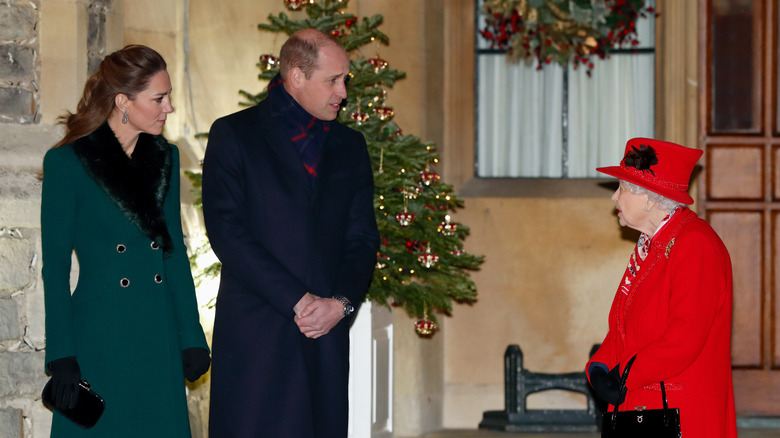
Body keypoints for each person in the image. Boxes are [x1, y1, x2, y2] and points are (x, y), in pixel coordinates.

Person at [202, 28, 379, 438]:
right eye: (333, 80)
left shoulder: (351, 146)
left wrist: (341, 304)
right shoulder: (234, 134)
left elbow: (362, 238)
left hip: (325, 334)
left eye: (345, 80)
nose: (343, 93)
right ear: (296, 76)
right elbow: (227, 231)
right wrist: (297, 300)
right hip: (257, 334)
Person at [41, 45, 211, 437]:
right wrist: (62, 356)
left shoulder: (165, 157)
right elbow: (54, 268)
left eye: (167, 96)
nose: (168, 107)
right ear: (123, 102)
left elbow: (174, 254)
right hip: (101, 335)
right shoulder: (68, 163)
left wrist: (192, 335)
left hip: (158, 331)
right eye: (159, 98)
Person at [586, 138, 737, 438]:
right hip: (645, 403)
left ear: (650, 198)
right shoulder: (652, 243)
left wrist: (627, 375)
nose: (615, 197)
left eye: (623, 188)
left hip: (680, 412)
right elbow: (624, 325)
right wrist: (600, 365)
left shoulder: (695, 244)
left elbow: (684, 338)